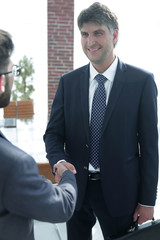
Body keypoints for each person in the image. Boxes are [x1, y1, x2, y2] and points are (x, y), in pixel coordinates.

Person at [44, 2, 159, 239]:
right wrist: (59, 161)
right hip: (75, 189)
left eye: (98, 33)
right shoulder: (69, 82)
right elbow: (53, 134)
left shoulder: (142, 82)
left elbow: (149, 147)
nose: (90, 41)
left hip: (121, 193)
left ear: (114, 34)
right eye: (84, 34)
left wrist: (147, 201)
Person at [0, 29, 77, 240]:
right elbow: (61, 207)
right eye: (12, 72)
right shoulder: (14, 164)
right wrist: (67, 174)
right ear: (1, 82)